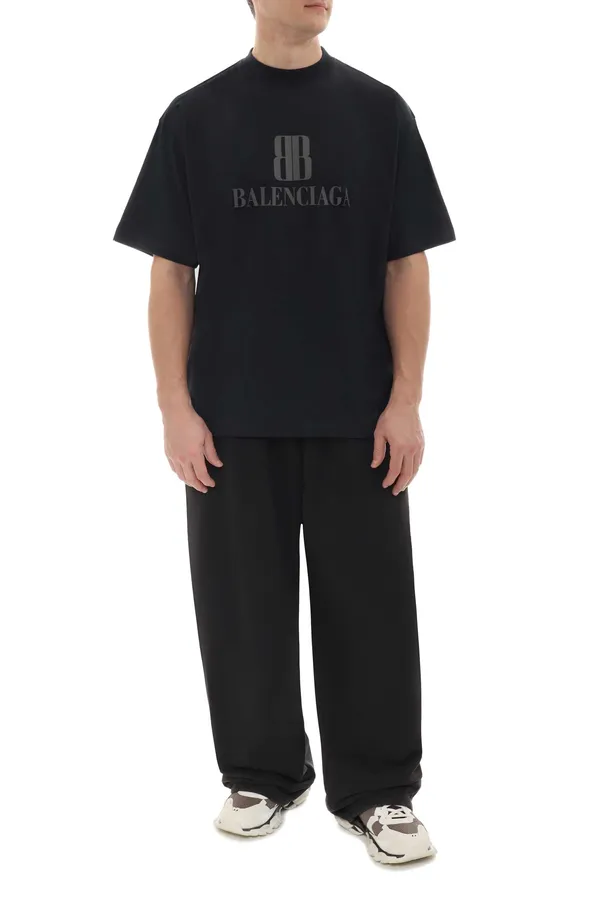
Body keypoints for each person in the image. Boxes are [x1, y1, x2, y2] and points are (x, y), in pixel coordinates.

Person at [113, 0, 455, 866]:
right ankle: (261, 774)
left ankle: (379, 791)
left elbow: (406, 263)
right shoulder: (195, 116)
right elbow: (169, 273)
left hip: (357, 416)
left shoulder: (379, 112)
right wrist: (174, 405)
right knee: (239, 607)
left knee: (372, 609)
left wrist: (406, 398)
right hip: (231, 417)